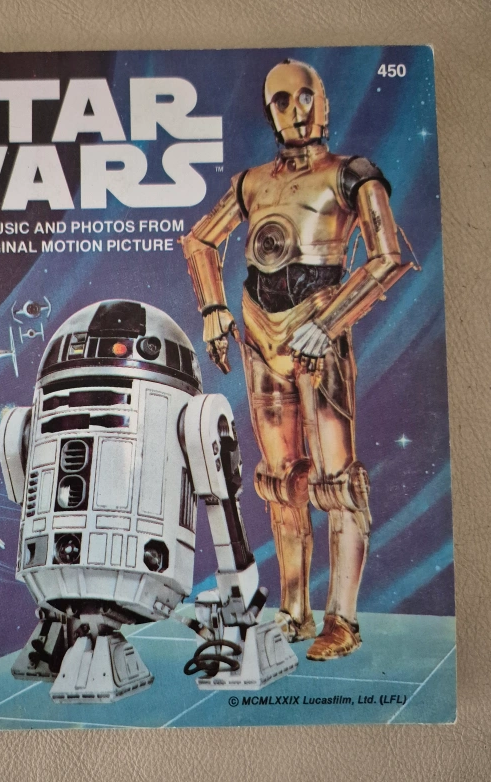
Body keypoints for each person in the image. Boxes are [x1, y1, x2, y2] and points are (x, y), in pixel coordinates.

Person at [180, 59, 416, 660]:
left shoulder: (351, 174)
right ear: (270, 113)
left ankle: (342, 619)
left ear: (324, 102)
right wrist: (214, 309)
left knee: (338, 481)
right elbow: (200, 239)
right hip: (261, 335)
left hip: (319, 330)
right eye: (282, 101)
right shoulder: (252, 182)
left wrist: (330, 321)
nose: (297, 111)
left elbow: (388, 256)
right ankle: (293, 610)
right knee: (282, 479)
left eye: (306, 97)